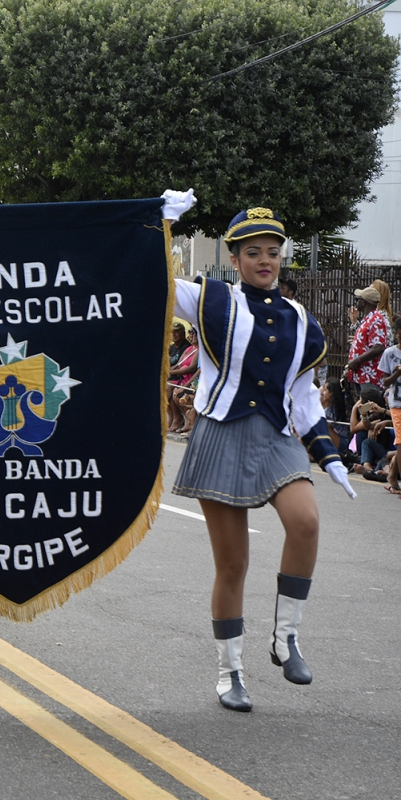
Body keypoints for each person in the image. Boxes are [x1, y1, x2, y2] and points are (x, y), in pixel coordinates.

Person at [171, 208, 356, 713]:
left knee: (306, 521)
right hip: (221, 435)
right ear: (235, 258)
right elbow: (152, 282)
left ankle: (286, 638)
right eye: (252, 252)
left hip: (275, 437)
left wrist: (330, 456)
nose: (264, 261)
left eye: (272, 252)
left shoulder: (303, 323)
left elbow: (302, 403)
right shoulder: (211, 299)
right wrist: (153, 226)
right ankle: (230, 672)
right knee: (233, 565)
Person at [347, 284, 390, 394]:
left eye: (358, 299)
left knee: (369, 407)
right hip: (361, 374)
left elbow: (379, 346)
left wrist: (357, 360)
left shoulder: (377, 319)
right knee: (362, 407)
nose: (356, 302)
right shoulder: (368, 318)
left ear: (363, 302)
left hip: (370, 375)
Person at [380, 321, 401, 495]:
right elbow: (385, 381)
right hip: (397, 403)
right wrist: (397, 374)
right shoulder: (390, 353)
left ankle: (392, 476)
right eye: (398, 334)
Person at [169, 326, 199, 434]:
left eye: (195, 332)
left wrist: (185, 385)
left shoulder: (200, 350)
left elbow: (193, 368)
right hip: (183, 380)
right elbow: (178, 365)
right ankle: (184, 421)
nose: (192, 334)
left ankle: (185, 421)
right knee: (171, 392)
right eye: (191, 332)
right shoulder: (189, 349)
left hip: (190, 382)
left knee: (181, 396)